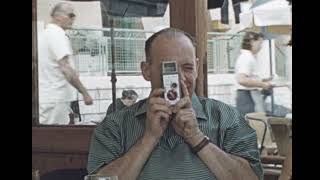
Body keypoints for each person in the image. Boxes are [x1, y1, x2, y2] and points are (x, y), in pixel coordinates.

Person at [87, 28, 263, 180]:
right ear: (146, 71)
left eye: (187, 68)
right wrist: (149, 138)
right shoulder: (115, 125)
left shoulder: (227, 118)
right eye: (168, 68)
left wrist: (197, 138)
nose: (179, 79)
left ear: (196, 69)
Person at [38, 2, 93, 125]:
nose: (73, 19)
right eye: (71, 15)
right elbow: (66, 69)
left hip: (47, 99)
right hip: (55, 99)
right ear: (57, 16)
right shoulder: (57, 34)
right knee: (54, 139)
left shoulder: (44, 35)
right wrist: (85, 93)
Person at [235, 31, 273, 115]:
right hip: (247, 97)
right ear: (252, 42)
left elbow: (249, 77)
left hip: (249, 96)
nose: (261, 47)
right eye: (259, 43)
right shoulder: (246, 58)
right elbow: (242, 79)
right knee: (253, 123)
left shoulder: (248, 57)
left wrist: (263, 80)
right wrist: (262, 85)